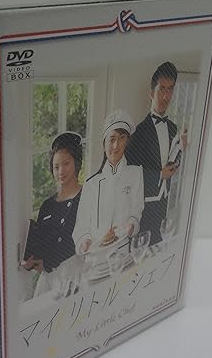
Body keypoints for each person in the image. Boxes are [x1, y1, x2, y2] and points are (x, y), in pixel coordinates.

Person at [125, 62, 188, 245]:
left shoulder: (173, 128)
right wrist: (159, 175)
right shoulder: (137, 133)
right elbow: (128, 174)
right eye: (162, 89)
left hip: (165, 207)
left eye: (170, 90)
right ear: (152, 93)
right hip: (142, 210)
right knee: (141, 255)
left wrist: (181, 148)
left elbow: (171, 165)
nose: (166, 96)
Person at [73, 110, 144, 254]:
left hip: (123, 253)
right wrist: (87, 242)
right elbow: (81, 228)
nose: (116, 146)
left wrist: (129, 227)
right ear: (104, 143)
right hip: (95, 256)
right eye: (112, 139)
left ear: (127, 142)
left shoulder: (136, 174)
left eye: (122, 138)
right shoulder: (91, 184)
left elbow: (136, 214)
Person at [23, 132, 83, 296]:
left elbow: (79, 240)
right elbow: (42, 242)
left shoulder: (86, 196)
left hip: (76, 275)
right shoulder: (47, 206)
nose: (61, 171)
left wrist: (48, 262)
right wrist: (31, 261)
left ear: (77, 162)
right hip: (49, 281)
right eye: (56, 167)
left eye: (66, 163)